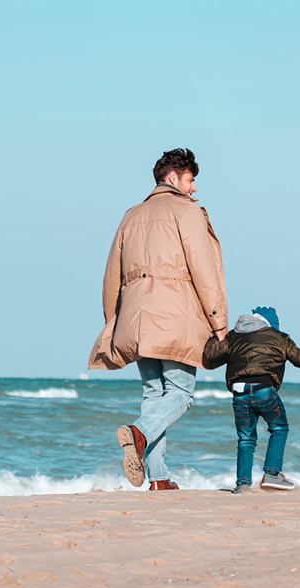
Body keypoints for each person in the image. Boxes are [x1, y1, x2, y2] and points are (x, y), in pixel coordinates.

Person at [88, 148, 227, 491]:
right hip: (175, 314)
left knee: (154, 394)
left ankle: (159, 478)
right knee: (181, 393)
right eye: (191, 180)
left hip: (135, 317)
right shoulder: (186, 211)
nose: (194, 188)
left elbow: (111, 276)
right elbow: (204, 269)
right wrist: (218, 321)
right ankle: (138, 433)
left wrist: (113, 322)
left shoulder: (131, 215)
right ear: (173, 178)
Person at [203, 306, 300, 494]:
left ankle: (242, 484)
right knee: (279, 428)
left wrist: (214, 336)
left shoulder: (233, 336)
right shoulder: (279, 338)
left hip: (239, 392)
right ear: (271, 325)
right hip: (264, 389)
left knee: (245, 438)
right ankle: (272, 474)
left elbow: (210, 357)